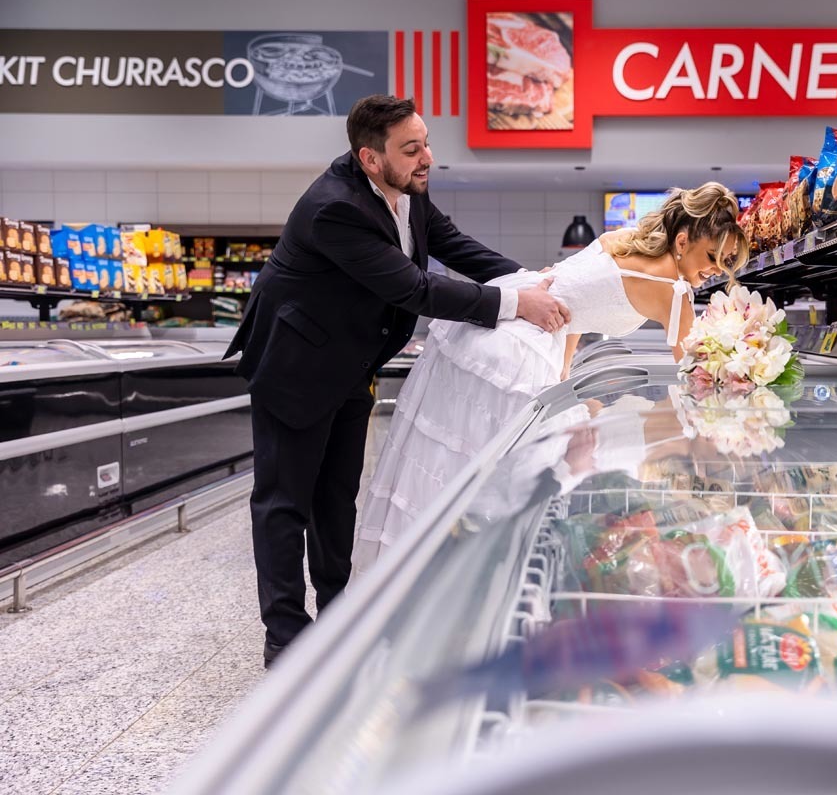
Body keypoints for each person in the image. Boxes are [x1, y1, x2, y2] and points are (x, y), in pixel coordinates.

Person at [225, 95, 570, 668]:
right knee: (285, 502)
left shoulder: (407, 187)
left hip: (350, 364)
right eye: (412, 149)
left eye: (427, 142)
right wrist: (517, 304)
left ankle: (337, 617)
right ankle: (285, 635)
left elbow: (455, 248)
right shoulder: (334, 208)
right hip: (294, 367)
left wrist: (532, 279)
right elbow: (414, 288)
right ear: (369, 158)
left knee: (336, 497)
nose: (427, 157)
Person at [352, 182, 750, 574]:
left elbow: (573, 305)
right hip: (520, 350)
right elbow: (696, 372)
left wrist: (562, 373)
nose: (715, 270)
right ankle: (464, 576)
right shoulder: (674, 289)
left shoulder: (622, 240)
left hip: (508, 326)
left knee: (454, 468)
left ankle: (419, 575)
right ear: (682, 242)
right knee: (496, 483)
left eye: (726, 263)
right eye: (713, 256)